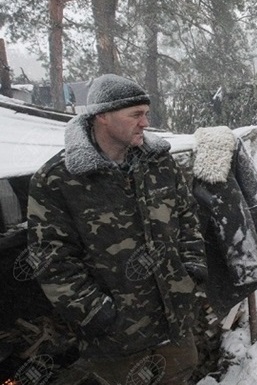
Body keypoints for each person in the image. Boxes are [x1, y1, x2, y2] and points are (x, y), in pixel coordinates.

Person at [27, 74, 208, 384]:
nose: (146, 122)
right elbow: (51, 260)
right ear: (103, 116)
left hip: (174, 324)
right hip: (115, 340)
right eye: (136, 114)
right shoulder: (58, 180)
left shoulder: (160, 164)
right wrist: (97, 312)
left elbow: (187, 217)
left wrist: (191, 269)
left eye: (146, 113)